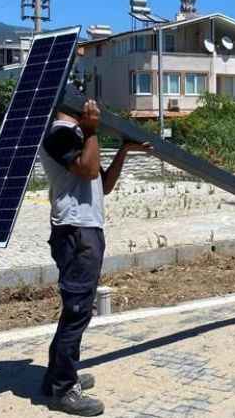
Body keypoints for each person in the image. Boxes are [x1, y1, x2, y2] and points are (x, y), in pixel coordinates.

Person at [39, 98, 151, 416]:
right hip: (76, 232)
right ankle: (63, 390)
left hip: (86, 230)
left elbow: (104, 184)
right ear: (71, 105)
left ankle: (57, 377)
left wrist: (124, 150)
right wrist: (91, 131)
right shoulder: (60, 134)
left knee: (76, 309)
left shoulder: (77, 136)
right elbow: (87, 171)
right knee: (77, 310)